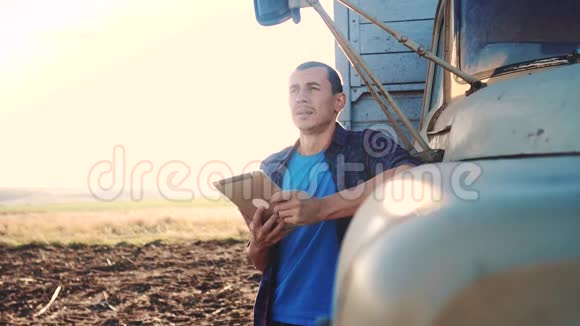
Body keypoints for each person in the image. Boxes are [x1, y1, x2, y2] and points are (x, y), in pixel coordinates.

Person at [242, 61, 421, 326]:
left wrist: (322, 208)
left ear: (339, 101)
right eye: (294, 90)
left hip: (350, 316)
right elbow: (262, 263)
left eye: (312, 88)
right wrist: (258, 245)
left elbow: (411, 176)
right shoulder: (272, 167)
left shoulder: (366, 147)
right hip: (277, 315)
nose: (301, 97)